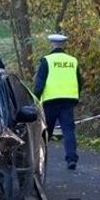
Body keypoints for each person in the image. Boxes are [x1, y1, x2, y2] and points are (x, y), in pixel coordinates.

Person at [34, 33, 82, 170]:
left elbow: (40, 83)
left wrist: (35, 99)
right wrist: (76, 96)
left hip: (50, 100)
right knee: (68, 130)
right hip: (68, 100)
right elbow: (79, 81)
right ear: (63, 45)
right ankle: (71, 159)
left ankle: (39, 159)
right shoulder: (73, 60)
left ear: (52, 44)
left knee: (46, 131)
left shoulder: (46, 60)